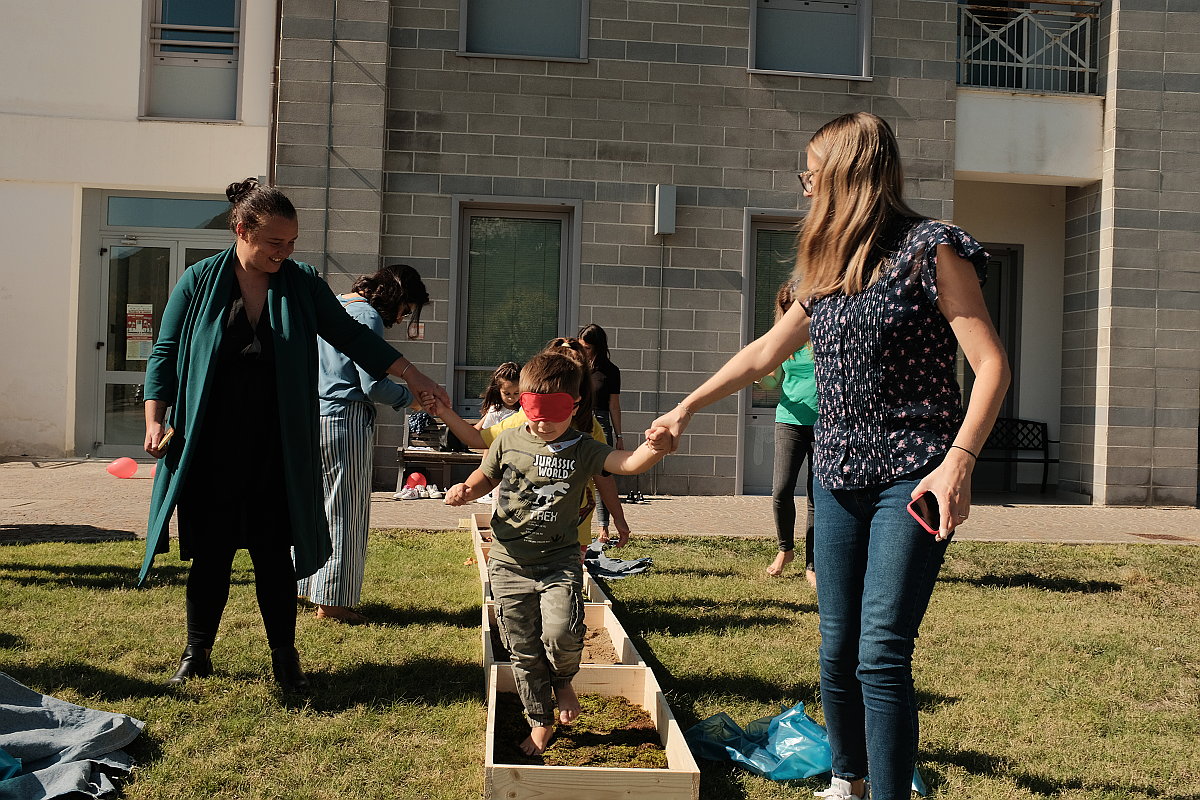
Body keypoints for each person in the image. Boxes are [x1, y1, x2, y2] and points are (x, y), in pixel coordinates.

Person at [649, 113, 1010, 800]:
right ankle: (847, 780)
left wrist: (959, 459)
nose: (805, 182)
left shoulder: (932, 248)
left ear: (847, 171)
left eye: (811, 169)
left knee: (880, 653)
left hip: (914, 477)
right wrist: (685, 408)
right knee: (836, 649)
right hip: (839, 477)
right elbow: (764, 352)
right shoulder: (826, 269)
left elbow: (991, 364)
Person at [141, 178, 450, 692]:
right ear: (242, 230)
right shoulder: (198, 280)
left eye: (291, 243)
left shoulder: (302, 282)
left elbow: (350, 335)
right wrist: (156, 416)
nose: (284, 253)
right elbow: (164, 351)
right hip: (212, 446)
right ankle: (197, 655)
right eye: (274, 243)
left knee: (272, 554)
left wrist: (411, 375)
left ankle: (285, 659)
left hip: (276, 448)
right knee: (212, 556)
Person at [442, 351, 672, 755]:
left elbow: (628, 463)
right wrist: (466, 489)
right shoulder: (510, 438)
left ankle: (564, 680)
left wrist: (656, 448)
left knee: (561, 632)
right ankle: (540, 721)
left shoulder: (584, 447)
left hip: (559, 560)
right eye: (534, 412)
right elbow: (486, 475)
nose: (542, 423)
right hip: (508, 561)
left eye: (553, 413)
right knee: (523, 647)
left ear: (576, 405)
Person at [297, 263, 430, 625]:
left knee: (318, 508)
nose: (402, 319)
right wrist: (413, 398)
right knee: (347, 513)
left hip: (312, 417)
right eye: (406, 309)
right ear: (396, 295)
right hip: (345, 418)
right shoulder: (366, 315)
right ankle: (334, 602)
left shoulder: (334, 305)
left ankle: (309, 585)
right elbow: (373, 385)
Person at [427, 337, 632, 550]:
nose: (544, 424)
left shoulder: (590, 429)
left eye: (557, 409)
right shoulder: (523, 421)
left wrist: (617, 517)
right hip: (525, 535)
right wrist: (443, 412)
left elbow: (604, 477)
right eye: (538, 409)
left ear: (576, 400)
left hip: (571, 536)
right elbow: (481, 452)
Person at [756, 282, 818, 585]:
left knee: (816, 496)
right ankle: (785, 549)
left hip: (825, 423)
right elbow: (772, 383)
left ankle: (813, 564)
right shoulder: (784, 343)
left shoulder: (823, 335)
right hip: (789, 419)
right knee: (781, 490)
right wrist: (758, 377)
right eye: (785, 309)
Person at [577, 323, 628, 546]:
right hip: (579, 419)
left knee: (602, 476)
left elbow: (614, 405)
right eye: (581, 347)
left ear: (598, 347)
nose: (584, 351)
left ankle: (603, 527)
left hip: (602, 421)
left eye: (587, 348)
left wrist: (619, 435)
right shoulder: (577, 367)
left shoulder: (610, 371)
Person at [477, 362, 522, 430]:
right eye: (507, 393)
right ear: (498, 390)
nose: (511, 398)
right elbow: (486, 433)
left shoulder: (525, 410)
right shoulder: (495, 411)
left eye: (516, 393)